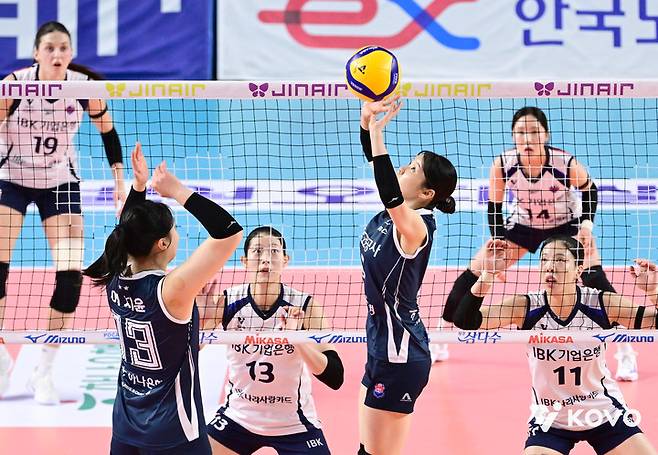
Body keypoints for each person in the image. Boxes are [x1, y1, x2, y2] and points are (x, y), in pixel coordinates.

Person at [437, 106, 637, 382]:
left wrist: (586, 227)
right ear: (513, 136)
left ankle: (626, 352)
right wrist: (498, 239)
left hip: (566, 224)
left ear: (546, 134)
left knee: (594, 279)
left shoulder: (563, 163)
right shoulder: (503, 164)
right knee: (474, 272)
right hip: (524, 226)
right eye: (521, 132)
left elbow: (589, 189)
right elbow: (494, 205)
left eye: (534, 132)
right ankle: (439, 337)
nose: (528, 138)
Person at [83, 142, 243, 454]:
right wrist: (177, 191)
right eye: (174, 230)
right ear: (162, 244)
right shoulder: (173, 289)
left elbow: (127, 230)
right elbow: (229, 232)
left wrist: (139, 187)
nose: (178, 235)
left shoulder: (114, 275)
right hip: (174, 432)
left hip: (127, 426)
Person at [0, 21, 127, 404]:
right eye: (49, 48)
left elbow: (108, 132)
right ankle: (1, 357)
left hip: (60, 183)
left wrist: (119, 180)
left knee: (71, 277)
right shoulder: (14, 85)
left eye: (63, 48)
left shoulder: (82, 87)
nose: (57, 54)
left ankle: (44, 370)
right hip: (11, 179)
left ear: (71, 54)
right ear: (36, 53)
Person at [452, 235, 658, 455]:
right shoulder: (526, 307)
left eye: (560, 260)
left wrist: (653, 291)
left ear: (578, 270)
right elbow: (465, 321)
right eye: (545, 259)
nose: (550, 266)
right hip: (552, 420)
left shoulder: (601, 304)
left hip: (604, 414)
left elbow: (653, 321)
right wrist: (487, 275)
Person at [357, 95, 458, 455]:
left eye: (412, 168)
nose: (403, 168)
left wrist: (378, 134)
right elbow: (380, 170)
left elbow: (389, 190)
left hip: (400, 354)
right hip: (381, 344)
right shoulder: (395, 215)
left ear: (427, 193)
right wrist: (367, 122)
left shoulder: (416, 227)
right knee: (368, 450)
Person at [197, 226, 344, 455]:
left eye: (274, 251)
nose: (266, 258)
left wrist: (296, 339)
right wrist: (198, 321)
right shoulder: (227, 302)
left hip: (294, 423)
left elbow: (335, 377)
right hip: (238, 418)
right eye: (257, 251)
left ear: (285, 260)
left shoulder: (305, 306)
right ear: (244, 261)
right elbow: (188, 350)